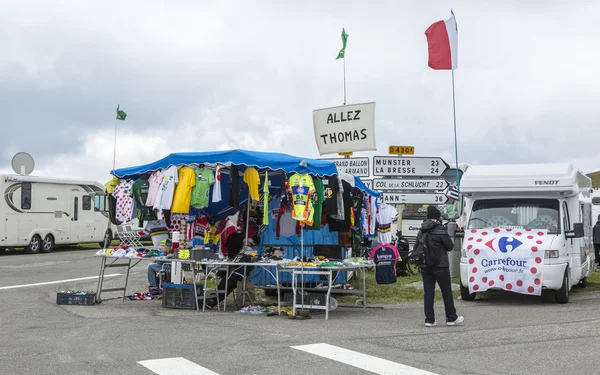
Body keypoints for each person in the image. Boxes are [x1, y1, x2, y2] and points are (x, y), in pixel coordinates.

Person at [416, 206, 464, 327]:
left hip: (425, 265)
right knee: (446, 291)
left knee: (428, 293)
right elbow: (449, 246)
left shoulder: (422, 229)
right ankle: (451, 318)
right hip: (440, 266)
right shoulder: (441, 229)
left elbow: (417, 246)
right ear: (437, 217)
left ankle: (429, 320)